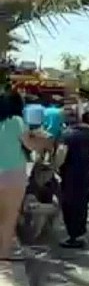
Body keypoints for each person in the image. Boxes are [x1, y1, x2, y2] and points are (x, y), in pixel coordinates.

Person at [0, 91, 51, 261]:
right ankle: (4, 252)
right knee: (9, 214)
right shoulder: (16, 121)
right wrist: (43, 142)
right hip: (12, 173)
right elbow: (30, 145)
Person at [56, 106, 89, 248]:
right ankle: (80, 234)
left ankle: (72, 236)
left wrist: (55, 167)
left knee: (68, 203)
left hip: (69, 174)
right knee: (83, 203)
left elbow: (62, 154)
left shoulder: (66, 134)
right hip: (87, 173)